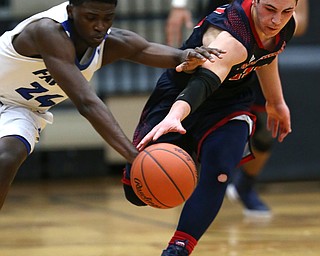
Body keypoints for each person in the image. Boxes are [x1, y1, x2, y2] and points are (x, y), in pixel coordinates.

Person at [0, 0, 226, 210]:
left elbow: (143, 49)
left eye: (107, 18)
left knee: (8, 156)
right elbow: (87, 103)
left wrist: (184, 55)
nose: (100, 26)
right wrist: (135, 156)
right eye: (91, 18)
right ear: (71, 12)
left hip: (23, 109)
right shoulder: (48, 31)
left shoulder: (108, 42)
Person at [122, 0, 299, 254]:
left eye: (286, 12)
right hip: (181, 94)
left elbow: (267, 55)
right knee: (136, 192)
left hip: (229, 104)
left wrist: (276, 101)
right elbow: (202, 83)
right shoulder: (231, 37)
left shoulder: (283, 25)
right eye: (270, 9)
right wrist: (175, 115)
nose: (276, 20)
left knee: (220, 171)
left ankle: (178, 248)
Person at [166, 0, 309, 218]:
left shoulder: (281, 15)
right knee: (197, 118)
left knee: (267, 129)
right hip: (225, 45)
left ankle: (245, 186)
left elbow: (303, 21)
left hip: (259, 53)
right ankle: (192, 190)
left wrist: (271, 23)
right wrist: (179, 5)